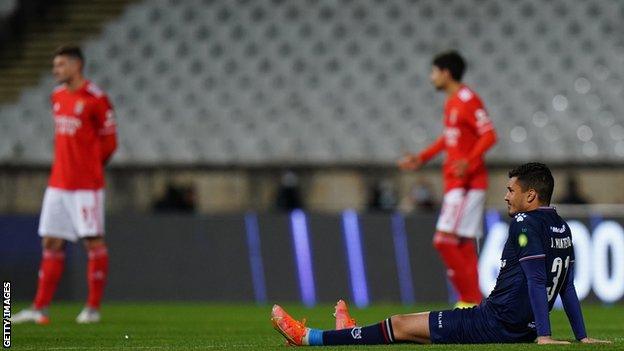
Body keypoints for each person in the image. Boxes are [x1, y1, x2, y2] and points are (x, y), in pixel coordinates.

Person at [271, 163, 611, 346]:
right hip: (515, 327)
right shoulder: (561, 226)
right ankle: (349, 333)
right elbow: (565, 287)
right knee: (414, 330)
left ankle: (309, 338)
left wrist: (545, 337)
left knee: (401, 325)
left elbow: (538, 281)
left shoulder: (524, 224)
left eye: (511, 190)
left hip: (493, 324)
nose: (506, 196)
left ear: (531, 195)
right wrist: (581, 336)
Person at [12, 45, 117, 324]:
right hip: (58, 182)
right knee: (51, 240)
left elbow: (110, 142)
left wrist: (91, 167)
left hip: (86, 186)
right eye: (55, 65)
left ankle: (93, 308)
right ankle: (39, 307)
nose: (55, 70)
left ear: (76, 65)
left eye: (60, 65)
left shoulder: (97, 99)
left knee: (92, 241)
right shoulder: (57, 96)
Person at [398, 51, 497, 307]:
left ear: (446, 72)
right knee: (463, 245)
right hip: (456, 182)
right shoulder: (452, 102)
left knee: (443, 240)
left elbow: (489, 135)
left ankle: (470, 300)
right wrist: (422, 157)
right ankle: (474, 304)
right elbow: (448, 138)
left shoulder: (467, 99)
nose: (431, 78)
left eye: (433, 72)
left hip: (466, 184)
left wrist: (469, 161)